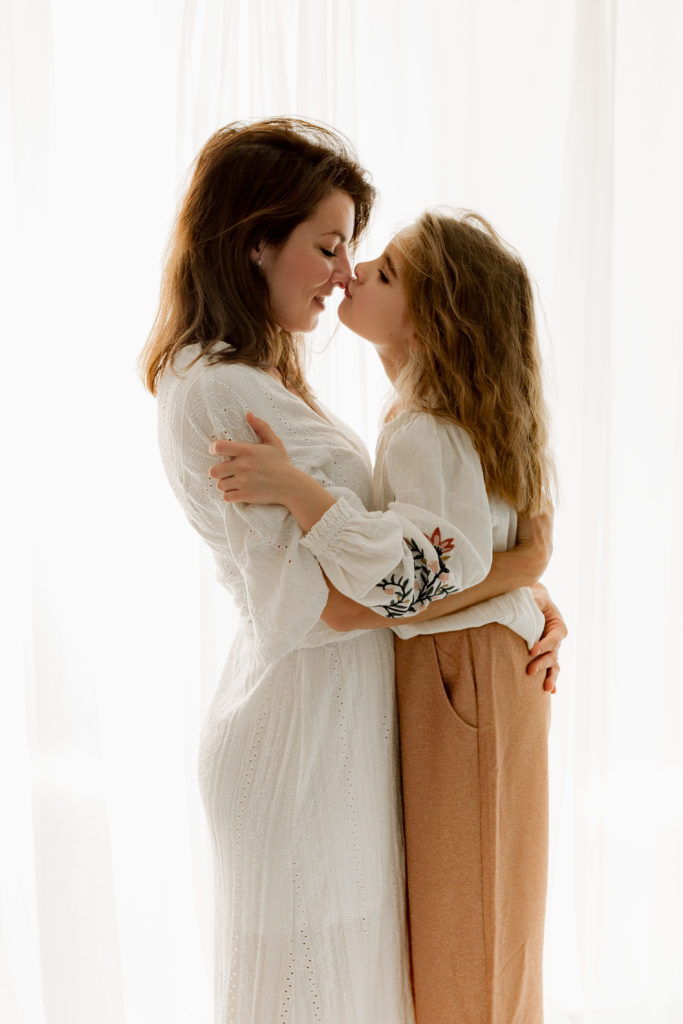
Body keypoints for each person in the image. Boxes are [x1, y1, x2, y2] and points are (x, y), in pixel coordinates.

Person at [140, 117, 561, 1024]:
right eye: (328, 246)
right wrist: (503, 583)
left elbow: (421, 546)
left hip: (335, 738)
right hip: (301, 746)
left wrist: (509, 592)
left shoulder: (259, 380)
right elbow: (322, 605)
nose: (343, 271)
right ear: (253, 242)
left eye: (355, 250)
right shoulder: (220, 393)